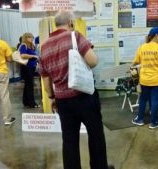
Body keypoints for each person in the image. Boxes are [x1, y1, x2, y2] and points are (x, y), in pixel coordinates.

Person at [39, 11, 114, 169]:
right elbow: (93, 61)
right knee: (95, 135)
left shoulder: (43, 46)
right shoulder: (75, 36)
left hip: (62, 101)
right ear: (71, 23)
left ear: (55, 24)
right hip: (84, 96)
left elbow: (46, 82)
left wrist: (52, 98)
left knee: (69, 140)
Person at [19, 32, 40, 108]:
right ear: (26, 38)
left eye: (32, 37)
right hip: (26, 68)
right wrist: (33, 56)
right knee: (30, 86)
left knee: (27, 86)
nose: (31, 38)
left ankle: (26, 102)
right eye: (30, 37)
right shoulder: (23, 46)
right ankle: (32, 103)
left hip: (31, 67)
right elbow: (22, 55)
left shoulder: (32, 46)